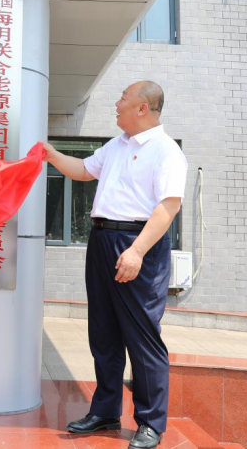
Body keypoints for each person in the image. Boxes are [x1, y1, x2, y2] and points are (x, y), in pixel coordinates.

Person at [43, 81, 187, 449]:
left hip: (139, 244)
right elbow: (83, 170)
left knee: (142, 336)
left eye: (123, 98)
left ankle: (150, 422)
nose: (116, 103)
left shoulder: (165, 151)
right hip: (102, 240)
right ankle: (105, 411)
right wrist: (51, 154)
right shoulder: (117, 145)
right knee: (103, 333)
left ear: (143, 108)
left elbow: (168, 206)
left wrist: (137, 252)